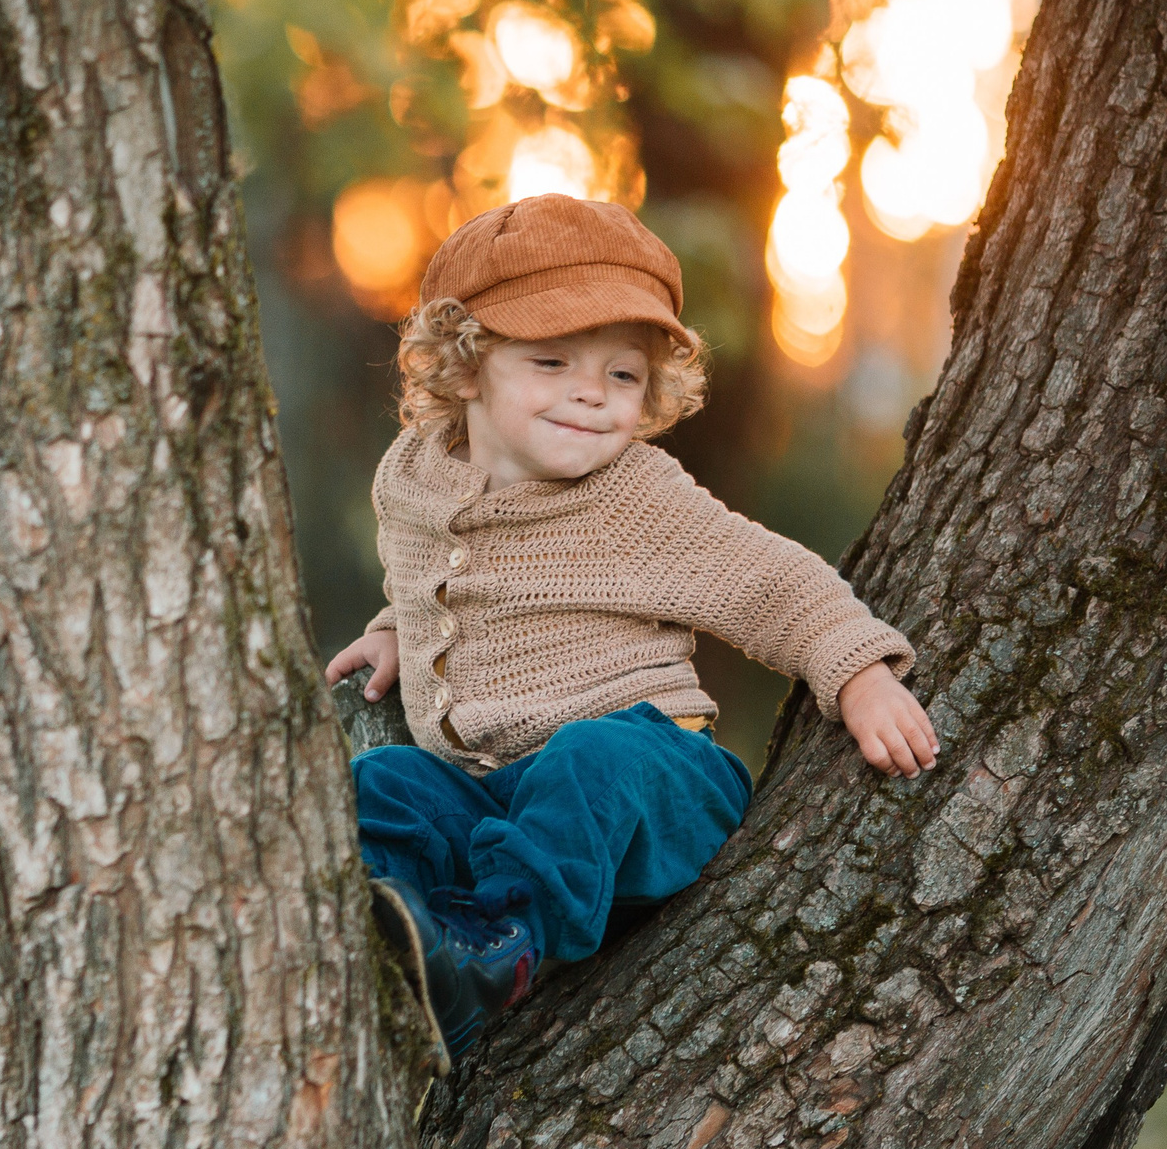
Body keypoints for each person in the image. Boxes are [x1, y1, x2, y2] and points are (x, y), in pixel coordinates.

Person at [323, 194, 936, 1067]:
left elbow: (768, 579)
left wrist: (857, 671)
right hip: (490, 790)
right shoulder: (413, 475)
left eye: (622, 374)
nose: (590, 393)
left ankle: (498, 948)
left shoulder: (632, 495)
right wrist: (396, 625)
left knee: (587, 764)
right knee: (382, 781)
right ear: (464, 366)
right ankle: (406, 950)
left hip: (651, 779)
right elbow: (440, 573)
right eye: (552, 360)